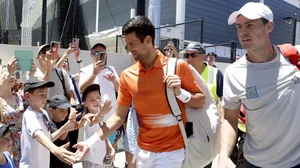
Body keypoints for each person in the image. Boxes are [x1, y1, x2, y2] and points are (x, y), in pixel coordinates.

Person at [74, 15, 205, 168]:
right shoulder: (127, 75)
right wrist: (89, 143)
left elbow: (200, 100)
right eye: (127, 44)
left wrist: (180, 93)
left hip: (172, 153)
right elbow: (118, 117)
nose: (128, 49)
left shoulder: (178, 66)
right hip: (142, 152)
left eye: (132, 44)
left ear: (148, 40)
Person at [218, 2, 300, 168]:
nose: (243, 32)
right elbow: (229, 118)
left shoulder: (294, 60)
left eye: (250, 25)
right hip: (254, 162)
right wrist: (223, 155)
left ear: (269, 26)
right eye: (239, 26)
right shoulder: (234, 73)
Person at [19, 79, 77, 168]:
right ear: (27, 96)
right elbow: (38, 135)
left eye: (46, 94)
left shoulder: (44, 113)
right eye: (41, 94)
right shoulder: (29, 115)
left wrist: (65, 128)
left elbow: (47, 138)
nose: (45, 98)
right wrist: (55, 150)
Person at [79, 42, 120, 146]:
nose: (99, 55)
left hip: (110, 119)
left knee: (108, 154)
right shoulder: (85, 70)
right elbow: (81, 89)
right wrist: (94, 73)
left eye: (102, 53)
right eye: (96, 52)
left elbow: (120, 90)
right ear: (91, 54)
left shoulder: (111, 69)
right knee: (91, 150)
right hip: (93, 119)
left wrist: (114, 80)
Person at [80, 84, 115, 168]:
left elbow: (103, 135)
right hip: (91, 159)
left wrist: (110, 148)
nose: (96, 101)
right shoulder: (88, 118)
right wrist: (101, 113)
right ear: (85, 104)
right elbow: (96, 119)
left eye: (98, 98)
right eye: (92, 99)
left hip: (101, 159)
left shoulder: (99, 117)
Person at [48, 94, 78, 168]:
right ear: (52, 110)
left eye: (67, 110)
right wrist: (69, 123)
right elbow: (61, 137)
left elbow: (76, 126)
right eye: (61, 110)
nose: (65, 113)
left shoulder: (64, 122)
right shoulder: (50, 124)